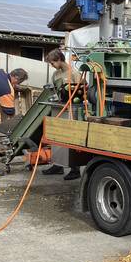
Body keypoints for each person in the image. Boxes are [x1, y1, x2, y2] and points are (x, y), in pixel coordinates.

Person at [41, 49, 83, 180]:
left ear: (59, 59)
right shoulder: (55, 74)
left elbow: (82, 90)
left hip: (71, 109)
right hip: (58, 108)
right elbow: (55, 91)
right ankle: (58, 165)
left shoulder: (75, 73)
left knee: (70, 138)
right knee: (56, 137)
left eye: (52, 63)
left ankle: (75, 169)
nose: (51, 65)